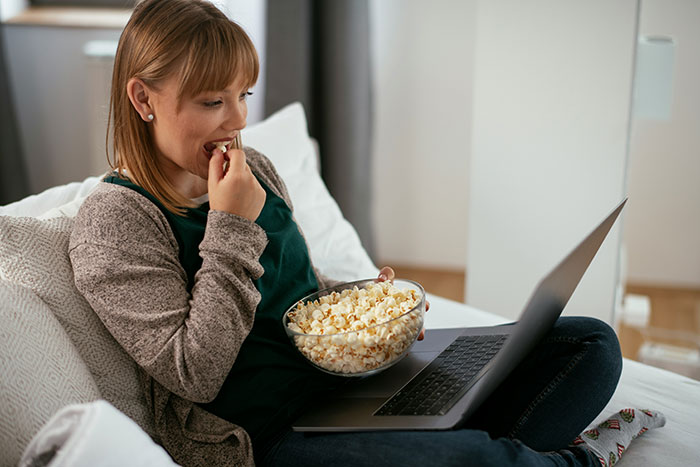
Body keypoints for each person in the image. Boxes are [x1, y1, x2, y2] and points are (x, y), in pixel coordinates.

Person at [68, 1, 665, 466]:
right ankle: (568, 458)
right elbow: (194, 373)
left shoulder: (258, 170)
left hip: (354, 385)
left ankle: (456, 440)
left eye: (242, 95)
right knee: (472, 462)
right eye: (210, 101)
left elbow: (298, 291)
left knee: (590, 345)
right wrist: (230, 225)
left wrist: (363, 303)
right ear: (143, 98)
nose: (239, 119)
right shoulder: (115, 222)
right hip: (271, 436)